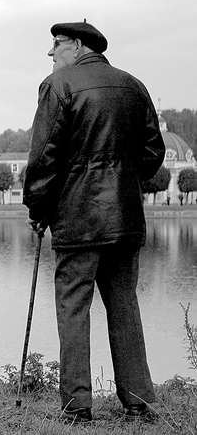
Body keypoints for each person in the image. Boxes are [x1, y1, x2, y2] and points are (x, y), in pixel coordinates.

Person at [23, 21, 165, 423]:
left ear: (78, 45)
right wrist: (122, 181)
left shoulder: (59, 86)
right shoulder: (133, 86)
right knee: (124, 307)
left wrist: (38, 208)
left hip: (77, 219)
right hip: (124, 217)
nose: (51, 53)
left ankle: (77, 408)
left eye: (56, 44)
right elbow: (153, 153)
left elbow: (43, 157)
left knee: (73, 309)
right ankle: (139, 404)